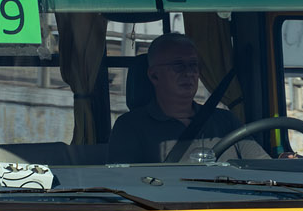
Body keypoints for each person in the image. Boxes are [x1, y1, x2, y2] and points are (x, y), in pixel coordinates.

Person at [108, 32, 267, 163]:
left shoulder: (226, 121)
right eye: (178, 65)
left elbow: (263, 167)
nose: (189, 73)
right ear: (154, 76)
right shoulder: (129, 127)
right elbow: (125, 186)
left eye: (193, 65)